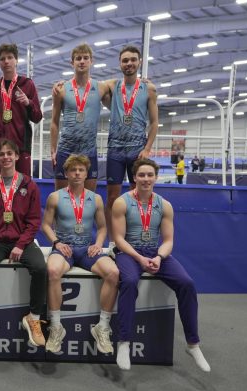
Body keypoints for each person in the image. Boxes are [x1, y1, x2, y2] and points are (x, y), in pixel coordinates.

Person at [111, 158, 210, 372]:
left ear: (156, 177)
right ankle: (124, 342)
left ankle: (193, 344)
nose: (146, 179)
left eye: (150, 175)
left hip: (154, 253)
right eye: (141, 175)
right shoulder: (122, 202)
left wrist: (158, 257)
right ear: (134, 177)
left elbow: (168, 241)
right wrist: (139, 258)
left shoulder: (164, 205)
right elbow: (118, 238)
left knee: (187, 283)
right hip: (129, 252)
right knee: (128, 281)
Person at [0, 139, 47, 348]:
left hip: (22, 240)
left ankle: (33, 317)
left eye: (9, 153)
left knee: (41, 268)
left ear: (16, 156)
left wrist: (21, 244)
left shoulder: (28, 184)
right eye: (1, 154)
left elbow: (34, 221)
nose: (5, 157)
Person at [41, 154, 119, 354]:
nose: (77, 173)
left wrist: (99, 244)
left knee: (113, 273)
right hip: (64, 247)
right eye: (73, 170)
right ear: (66, 173)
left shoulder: (96, 199)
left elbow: (102, 228)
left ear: (86, 174)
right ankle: (56, 327)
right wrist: (56, 242)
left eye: (81, 170)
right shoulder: (55, 197)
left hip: (86, 249)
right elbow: (46, 226)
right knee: (52, 270)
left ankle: (102, 327)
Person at [104, 45, 158, 247]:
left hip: (138, 151)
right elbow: (88, 85)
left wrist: (147, 149)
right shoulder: (112, 86)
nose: (129, 64)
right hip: (115, 150)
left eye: (133, 60)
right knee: (112, 198)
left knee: (139, 197)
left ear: (140, 62)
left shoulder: (149, 89)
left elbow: (154, 123)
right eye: (125, 60)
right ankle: (112, 241)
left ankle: (134, 239)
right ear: (119, 63)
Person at [50, 44, 112, 191]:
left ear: (91, 61)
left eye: (85, 58)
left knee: (89, 199)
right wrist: (53, 149)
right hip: (66, 149)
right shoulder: (61, 89)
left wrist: (141, 81)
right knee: (61, 198)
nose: (82, 61)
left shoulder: (101, 87)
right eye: (78, 58)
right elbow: (54, 122)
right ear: (72, 63)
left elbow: (120, 85)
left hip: (89, 150)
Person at [0, 43, 42, 177]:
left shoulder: (27, 85)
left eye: (10, 57)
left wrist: (28, 103)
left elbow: (37, 117)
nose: (6, 61)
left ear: (16, 60)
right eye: (2, 59)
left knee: (22, 187)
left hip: (20, 146)